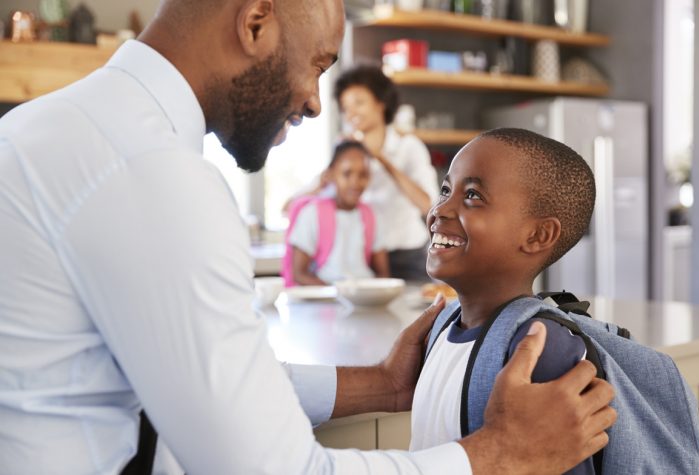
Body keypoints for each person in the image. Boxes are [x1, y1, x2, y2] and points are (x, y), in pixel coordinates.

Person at [0, 0, 616, 473]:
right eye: (319, 63)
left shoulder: (56, 128)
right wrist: (497, 456)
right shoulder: (150, 173)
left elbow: (187, 375)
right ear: (256, 21)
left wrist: (382, 384)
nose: (316, 103)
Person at [410, 128, 598, 472]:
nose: (439, 210)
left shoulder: (539, 348)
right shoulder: (443, 323)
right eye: (446, 190)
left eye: (472, 196)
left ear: (538, 235)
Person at [287, 64, 439, 282]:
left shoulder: (409, 147)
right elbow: (304, 202)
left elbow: (428, 205)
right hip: (364, 259)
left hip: (408, 256)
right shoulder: (345, 149)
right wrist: (333, 171)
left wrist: (380, 158)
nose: (351, 113)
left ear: (380, 103)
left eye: (359, 102)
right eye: (345, 107)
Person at [286, 140, 390, 285]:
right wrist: (338, 293)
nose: (355, 182)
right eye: (347, 174)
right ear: (330, 175)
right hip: (326, 298)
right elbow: (299, 274)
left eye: (363, 175)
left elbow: (383, 273)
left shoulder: (372, 215)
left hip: (364, 297)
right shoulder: (312, 214)